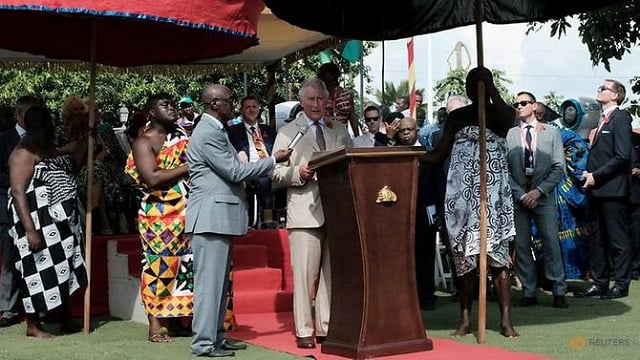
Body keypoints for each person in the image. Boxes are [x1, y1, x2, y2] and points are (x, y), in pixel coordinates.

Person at [186, 84, 291, 358]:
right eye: (230, 101)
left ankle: (217, 337)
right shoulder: (208, 132)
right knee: (210, 286)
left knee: (220, 284)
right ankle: (204, 344)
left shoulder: (215, 130)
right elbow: (234, 171)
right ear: (215, 103)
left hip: (217, 216)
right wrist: (272, 161)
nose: (233, 105)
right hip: (210, 217)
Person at [421, 67, 518, 337]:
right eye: (472, 84)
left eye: (481, 83)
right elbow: (439, 154)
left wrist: (490, 91)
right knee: (465, 260)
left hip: (493, 197)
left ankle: (506, 320)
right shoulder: (457, 117)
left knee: (498, 259)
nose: (476, 87)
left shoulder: (500, 114)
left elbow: (510, 119)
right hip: (461, 197)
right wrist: (411, 155)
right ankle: (465, 318)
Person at [272, 78, 352, 349]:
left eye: (321, 99)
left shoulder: (338, 129)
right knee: (306, 276)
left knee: (331, 275)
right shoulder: (287, 132)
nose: (317, 104)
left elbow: (352, 164)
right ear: (301, 101)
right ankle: (304, 329)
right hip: (303, 212)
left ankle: (326, 327)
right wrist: (298, 173)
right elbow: (273, 173)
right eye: (312, 99)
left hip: (336, 211)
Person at [8, 106, 87, 338]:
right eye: (46, 124)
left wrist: (84, 140)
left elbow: (71, 166)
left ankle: (65, 317)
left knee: (64, 268)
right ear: (37, 127)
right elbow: (18, 192)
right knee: (35, 270)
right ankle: (33, 326)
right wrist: (31, 231)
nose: (50, 128)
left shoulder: (47, 148)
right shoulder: (22, 153)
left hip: (58, 223)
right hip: (34, 221)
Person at [124, 93, 193, 343]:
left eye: (173, 104)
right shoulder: (144, 142)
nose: (172, 108)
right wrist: (190, 166)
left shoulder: (182, 136)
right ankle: (155, 326)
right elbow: (152, 178)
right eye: (165, 105)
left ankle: (176, 321)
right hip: (158, 215)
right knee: (158, 266)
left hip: (188, 210)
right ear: (151, 113)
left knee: (184, 264)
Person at [506, 93, 568, 308]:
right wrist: (521, 194)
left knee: (551, 242)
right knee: (522, 245)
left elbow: (559, 167)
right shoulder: (510, 134)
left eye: (523, 103)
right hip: (519, 197)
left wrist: (539, 191)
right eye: (516, 104)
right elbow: (504, 170)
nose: (519, 107)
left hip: (543, 195)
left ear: (534, 106)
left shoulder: (551, 132)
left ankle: (559, 289)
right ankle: (529, 291)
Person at [576, 79, 633, 300]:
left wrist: (596, 175)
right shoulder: (602, 120)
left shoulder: (620, 118)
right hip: (596, 189)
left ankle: (621, 284)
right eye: (599, 87)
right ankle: (599, 283)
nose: (599, 90)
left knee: (617, 239)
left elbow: (622, 155)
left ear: (616, 95)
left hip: (612, 190)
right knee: (597, 239)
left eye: (605, 88)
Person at [531, 102, 591, 281]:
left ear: (541, 116)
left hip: (562, 194)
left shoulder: (565, 136)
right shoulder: (526, 136)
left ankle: (569, 275)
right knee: (542, 235)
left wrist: (562, 168)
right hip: (538, 192)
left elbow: (579, 158)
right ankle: (547, 276)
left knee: (568, 235)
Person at [0, 95, 39, 328]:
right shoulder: (3, 140)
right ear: (19, 115)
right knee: (10, 259)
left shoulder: (43, 140)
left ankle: (40, 308)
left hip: (37, 209)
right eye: (31, 112)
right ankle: (7, 308)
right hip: (7, 206)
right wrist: (20, 179)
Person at [396, 117, 440, 310]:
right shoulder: (393, 154)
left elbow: (439, 184)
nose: (406, 133)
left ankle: (427, 296)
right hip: (400, 214)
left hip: (426, 212)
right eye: (403, 130)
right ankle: (405, 297)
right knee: (403, 257)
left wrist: (438, 211)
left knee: (425, 255)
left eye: (409, 130)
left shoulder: (429, 154)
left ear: (417, 131)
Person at [227, 95, 277, 227]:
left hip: (270, 166)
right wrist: (239, 153)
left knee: (270, 177)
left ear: (259, 109)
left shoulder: (269, 130)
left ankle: (271, 220)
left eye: (254, 107)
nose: (251, 110)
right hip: (249, 169)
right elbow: (228, 150)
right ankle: (263, 220)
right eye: (247, 107)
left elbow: (277, 150)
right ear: (242, 111)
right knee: (263, 179)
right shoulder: (233, 131)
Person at [317, 62, 360, 137]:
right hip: (325, 137)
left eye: (324, 75)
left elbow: (352, 117)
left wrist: (358, 137)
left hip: (343, 137)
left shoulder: (346, 95)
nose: (321, 78)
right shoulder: (319, 96)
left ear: (332, 76)